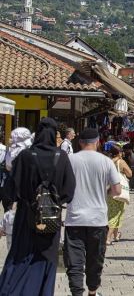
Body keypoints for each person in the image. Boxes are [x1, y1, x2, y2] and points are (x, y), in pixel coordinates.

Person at [0, 118, 75, 295]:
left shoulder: (25, 156)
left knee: (21, 255)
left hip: (26, 216)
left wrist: (25, 200)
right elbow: (69, 190)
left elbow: (10, 189)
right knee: (46, 258)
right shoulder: (61, 157)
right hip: (50, 218)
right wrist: (54, 202)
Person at [64, 128, 121, 296]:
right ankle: (92, 291)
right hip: (98, 219)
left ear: (80, 142)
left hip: (75, 219)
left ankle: (76, 293)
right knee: (95, 260)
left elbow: (62, 188)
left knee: (74, 262)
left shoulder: (70, 160)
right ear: (97, 142)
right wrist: (106, 191)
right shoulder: (106, 161)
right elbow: (117, 190)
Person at [106, 145, 132, 245]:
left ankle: (116, 235)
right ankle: (108, 238)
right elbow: (130, 174)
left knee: (115, 213)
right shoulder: (120, 162)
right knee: (115, 215)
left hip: (109, 191)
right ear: (119, 153)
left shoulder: (108, 161)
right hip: (119, 191)